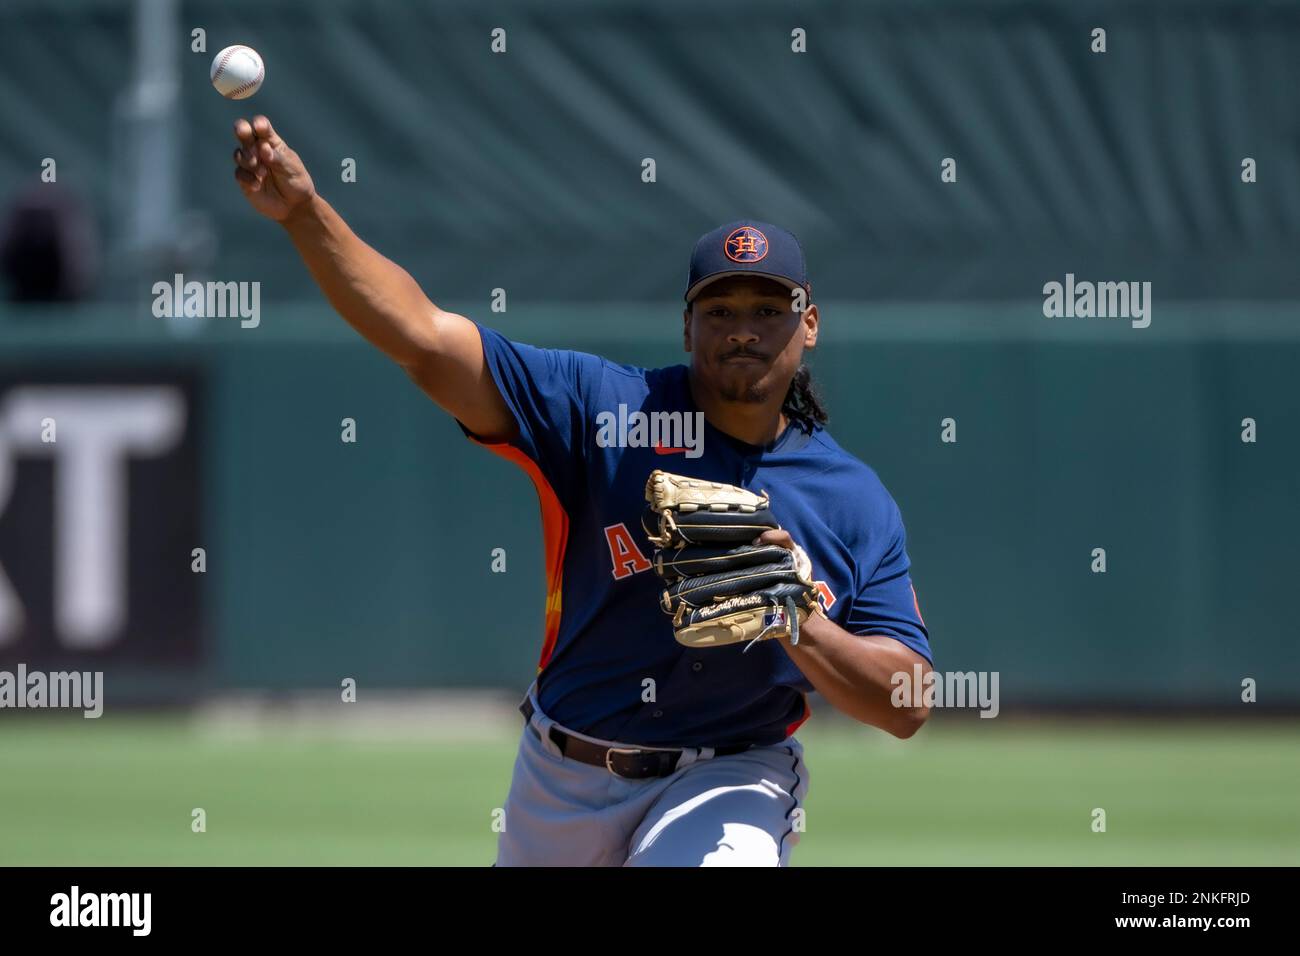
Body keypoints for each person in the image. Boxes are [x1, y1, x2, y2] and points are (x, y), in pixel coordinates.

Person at [230, 115, 934, 866]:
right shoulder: (606, 414)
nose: (744, 330)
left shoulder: (852, 500)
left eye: (769, 310)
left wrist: (801, 622)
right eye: (721, 310)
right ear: (686, 327)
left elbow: (908, 702)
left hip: (731, 776)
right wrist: (306, 215)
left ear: (810, 324)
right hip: (560, 777)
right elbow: (425, 339)